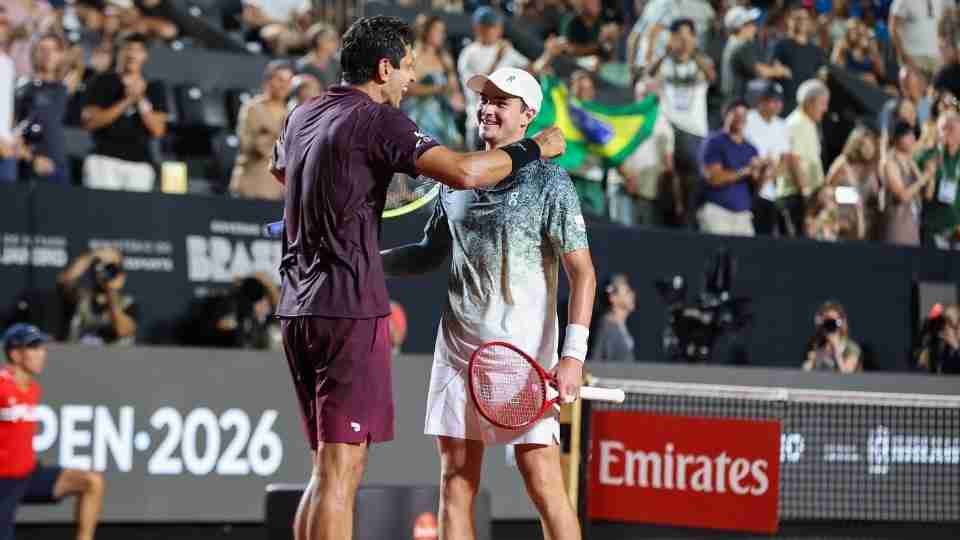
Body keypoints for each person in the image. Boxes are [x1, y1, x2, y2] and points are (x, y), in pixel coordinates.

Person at [269, 17, 565, 540]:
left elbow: (285, 174)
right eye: (407, 67)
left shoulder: (303, 112)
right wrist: (534, 148)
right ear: (384, 68)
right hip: (347, 307)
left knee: (323, 471)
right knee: (342, 474)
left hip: (298, 305)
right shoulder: (381, 120)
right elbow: (466, 172)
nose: (411, 78)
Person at [381, 66, 594, 540]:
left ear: (528, 118)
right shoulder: (455, 178)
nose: (488, 108)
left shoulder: (551, 183)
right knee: (455, 481)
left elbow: (584, 274)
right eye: (486, 99)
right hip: (458, 354)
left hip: (524, 361)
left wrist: (572, 357)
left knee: (542, 481)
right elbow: (429, 254)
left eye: (502, 102)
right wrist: (367, 263)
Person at [0, 323, 105, 540]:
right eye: (33, 347)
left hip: (27, 476)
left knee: (92, 482)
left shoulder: (33, 388)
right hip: (3, 483)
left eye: (42, 347)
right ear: (15, 354)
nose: (42, 354)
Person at [80, 32, 167, 192]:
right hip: (103, 159)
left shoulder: (155, 87)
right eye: (127, 48)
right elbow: (90, 122)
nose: (132, 54)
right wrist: (126, 101)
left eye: (138, 50)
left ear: (145, 56)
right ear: (118, 52)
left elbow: (159, 130)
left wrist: (140, 99)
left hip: (140, 163)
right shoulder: (101, 81)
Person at [697, 99, 773, 236]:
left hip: (743, 216)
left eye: (744, 116)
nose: (740, 119)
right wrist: (746, 170)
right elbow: (714, 178)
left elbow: (756, 188)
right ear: (725, 115)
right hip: (717, 213)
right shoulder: (714, 142)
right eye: (736, 114)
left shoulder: (751, 148)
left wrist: (764, 171)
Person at [230, 60, 294, 200]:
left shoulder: (292, 114)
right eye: (280, 80)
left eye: (289, 81)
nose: (285, 85)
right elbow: (255, 146)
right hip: (250, 187)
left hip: (279, 193)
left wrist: (269, 135)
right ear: (268, 81)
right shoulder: (252, 109)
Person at [15, 33, 71, 184]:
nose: (48, 55)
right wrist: (31, 159)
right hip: (32, 168)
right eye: (43, 49)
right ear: (34, 54)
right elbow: (12, 132)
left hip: (60, 167)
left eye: (53, 50)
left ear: (61, 55)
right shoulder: (23, 90)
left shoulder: (64, 90)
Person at [401, 16, 464, 149]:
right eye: (437, 30)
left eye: (443, 31)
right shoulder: (414, 57)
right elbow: (406, 88)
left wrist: (456, 99)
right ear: (424, 31)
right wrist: (438, 89)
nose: (442, 35)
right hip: (420, 120)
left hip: (444, 118)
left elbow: (454, 89)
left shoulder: (445, 58)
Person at [57, 247, 138, 346]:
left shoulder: (128, 304)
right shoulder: (83, 299)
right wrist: (93, 256)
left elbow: (122, 330)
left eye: (113, 269)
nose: (108, 272)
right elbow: (65, 281)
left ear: (122, 277)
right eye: (104, 268)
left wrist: (111, 291)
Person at [785, 79, 831, 236]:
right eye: (823, 103)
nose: (825, 109)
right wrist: (806, 197)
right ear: (809, 102)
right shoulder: (796, 124)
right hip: (797, 198)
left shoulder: (809, 124)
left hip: (810, 198)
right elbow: (794, 160)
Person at [880, 121, 935, 246]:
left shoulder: (911, 162)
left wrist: (931, 175)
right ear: (896, 138)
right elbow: (902, 196)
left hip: (913, 227)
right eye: (907, 135)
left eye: (913, 135)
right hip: (897, 227)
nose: (912, 139)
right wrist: (924, 178)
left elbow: (928, 195)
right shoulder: (890, 163)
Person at [824, 126, 880, 241]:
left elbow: (873, 199)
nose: (870, 150)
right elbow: (826, 192)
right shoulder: (843, 163)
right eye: (865, 146)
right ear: (856, 145)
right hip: (840, 225)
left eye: (872, 146)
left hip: (862, 227)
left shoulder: (872, 168)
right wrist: (850, 196)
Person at [771, 6, 827, 116]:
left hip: (808, 103)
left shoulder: (815, 50)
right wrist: (780, 70)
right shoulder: (781, 45)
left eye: (805, 18)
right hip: (787, 102)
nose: (801, 22)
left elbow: (821, 74)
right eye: (798, 18)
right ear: (790, 21)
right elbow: (775, 67)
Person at [917, 112, 960, 248]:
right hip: (932, 230)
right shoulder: (926, 156)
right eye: (944, 128)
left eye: (952, 128)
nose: (947, 132)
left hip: (957, 232)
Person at [801, 301, 863, 373]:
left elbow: (847, 377)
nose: (829, 326)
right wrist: (813, 360)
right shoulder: (814, 346)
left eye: (833, 322)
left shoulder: (851, 348)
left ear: (841, 323)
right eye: (826, 322)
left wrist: (837, 353)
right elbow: (805, 374)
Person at [588, 274, 636, 362]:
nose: (632, 295)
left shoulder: (620, 325)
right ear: (612, 297)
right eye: (627, 292)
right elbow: (595, 360)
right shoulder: (605, 327)